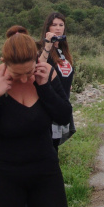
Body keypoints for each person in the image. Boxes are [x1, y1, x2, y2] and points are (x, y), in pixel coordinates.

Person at [0, 25, 72, 207]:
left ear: (37, 60)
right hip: (1, 175)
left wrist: (44, 86)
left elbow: (64, 117)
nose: (26, 79)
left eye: (29, 71)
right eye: (18, 75)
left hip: (44, 171)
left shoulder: (47, 74)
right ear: (4, 63)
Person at [38, 12, 76, 150]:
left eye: (61, 25)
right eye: (54, 25)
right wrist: (47, 46)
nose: (58, 28)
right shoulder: (40, 48)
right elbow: (38, 67)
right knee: (47, 146)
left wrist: (67, 83)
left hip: (62, 104)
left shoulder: (63, 50)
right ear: (47, 27)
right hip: (47, 106)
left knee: (55, 146)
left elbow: (66, 72)